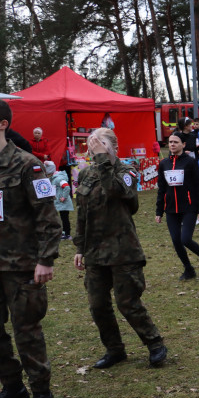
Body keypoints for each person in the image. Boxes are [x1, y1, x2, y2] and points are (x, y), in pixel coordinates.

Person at [73, 128, 167, 369]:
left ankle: (155, 344)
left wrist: (103, 159)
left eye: (101, 143)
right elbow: (81, 214)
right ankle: (114, 349)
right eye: (93, 143)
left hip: (123, 250)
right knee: (97, 305)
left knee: (127, 302)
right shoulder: (85, 175)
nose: (96, 147)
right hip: (95, 252)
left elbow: (117, 190)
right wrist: (79, 248)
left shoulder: (126, 171)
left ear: (114, 146)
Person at [0, 100, 62, 398]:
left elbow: (49, 217)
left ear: (2, 124)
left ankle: (41, 393)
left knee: (26, 331)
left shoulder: (28, 165)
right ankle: (12, 387)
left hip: (22, 265)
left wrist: (46, 258)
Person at [155, 133, 199, 281]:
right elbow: (161, 189)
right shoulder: (164, 164)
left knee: (185, 239)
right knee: (176, 241)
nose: (172, 144)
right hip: (171, 209)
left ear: (183, 144)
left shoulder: (190, 162)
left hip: (189, 207)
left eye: (175, 142)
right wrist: (159, 211)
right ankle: (188, 269)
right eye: (170, 142)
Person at [46, 161, 74, 240]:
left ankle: (67, 234)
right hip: (58, 202)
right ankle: (62, 232)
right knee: (59, 217)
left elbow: (67, 187)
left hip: (63, 202)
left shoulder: (59, 179)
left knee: (64, 218)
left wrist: (64, 197)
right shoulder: (53, 179)